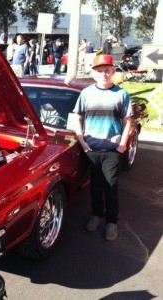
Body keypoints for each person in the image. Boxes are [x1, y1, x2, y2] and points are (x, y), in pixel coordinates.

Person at [73, 54, 133, 241]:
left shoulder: (121, 94)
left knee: (111, 186)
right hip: (91, 149)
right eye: (100, 71)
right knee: (95, 186)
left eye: (107, 70)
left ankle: (111, 222)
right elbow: (78, 118)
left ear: (113, 72)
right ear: (94, 73)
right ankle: (97, 214)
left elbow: (128, 121)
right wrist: (82, 141)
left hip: (112, 149)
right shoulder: (86, 93)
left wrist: (122, 145)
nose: (104, 74)